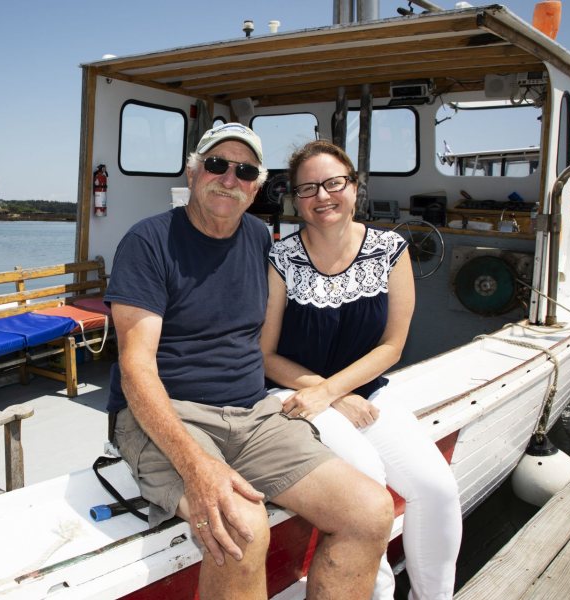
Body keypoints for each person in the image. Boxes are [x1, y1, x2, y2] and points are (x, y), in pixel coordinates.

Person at [106, 123, 394, 599]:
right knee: (242, 528)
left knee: (369, 511)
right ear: (194, 172)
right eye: (217, 165)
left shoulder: (260, 238)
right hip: (170, 413)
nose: (229, 179)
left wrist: (330, 390)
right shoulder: (148, 242)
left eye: (245, 171)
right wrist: (197, 467)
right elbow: (137, 368)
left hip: (253, 413)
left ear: (258, 186)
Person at [261, 139, 462, 600]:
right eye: (308, 188)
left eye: (334, 183)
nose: (322, 196)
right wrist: (326, 394)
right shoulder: (281, 258)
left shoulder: (390, 249)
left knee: (436, 491)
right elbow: (264, 354)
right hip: (295, 393)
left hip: (363, 393)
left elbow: (392, 345)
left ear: (355, 187)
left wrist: (336, 391)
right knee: (368, 485)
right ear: (295, 198)